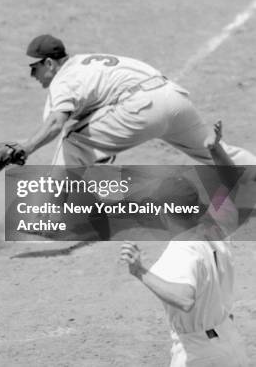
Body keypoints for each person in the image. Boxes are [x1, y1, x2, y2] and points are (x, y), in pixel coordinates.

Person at [17, 34, 256, 167]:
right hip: (174, 98)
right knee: (214, 151)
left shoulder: (64, 79)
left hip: (142, 108)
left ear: (49, 63)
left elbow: (56, 125)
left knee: (73, 141)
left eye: (33, 69)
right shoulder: (88, 62)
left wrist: (25, 149)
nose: (32, 76)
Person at [120, 123, 250, 366]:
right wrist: (215, 148)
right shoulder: (215, 227)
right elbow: (234, 182)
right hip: (232, 346)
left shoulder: (181, 251)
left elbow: (184, 299)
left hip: (199, 354)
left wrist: (140, 271)